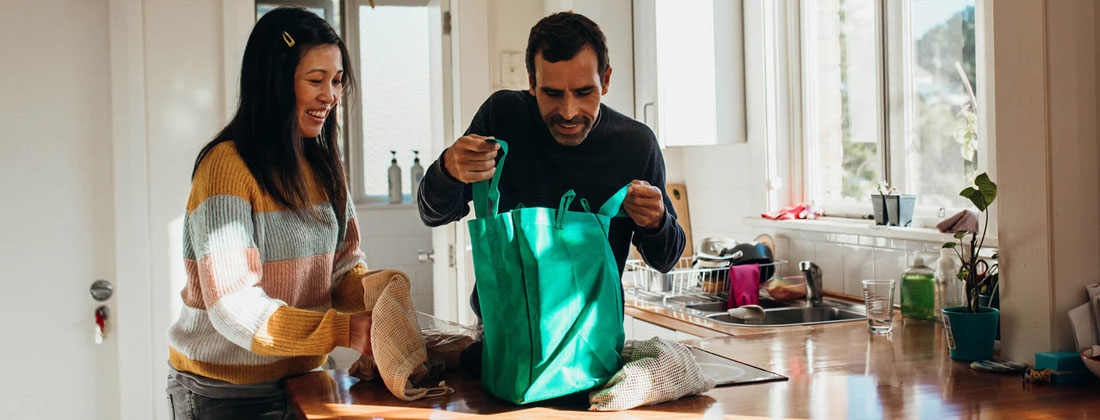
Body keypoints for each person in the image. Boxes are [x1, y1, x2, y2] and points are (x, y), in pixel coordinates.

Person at [165, 8, 373, 419]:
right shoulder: (226, 168)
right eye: (315, 80)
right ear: (275, 81)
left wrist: (382, 299)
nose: (329, 96)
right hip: (224, 394)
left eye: (336, 81)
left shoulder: (325, 165)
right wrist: (343, 330)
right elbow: (233, 307)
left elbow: (344, 268)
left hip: (306, 378)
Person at [417, 11, 685, 317]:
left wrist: (656, 221)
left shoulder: (636, 144)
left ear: (606, 80)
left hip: (594, 342)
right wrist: (447, 170)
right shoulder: (502, 116)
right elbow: (432, 214)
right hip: (503, 336)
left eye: (584, 92)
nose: (569, 112)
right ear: (532, 82)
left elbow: (665, 259)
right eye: (552, 94)